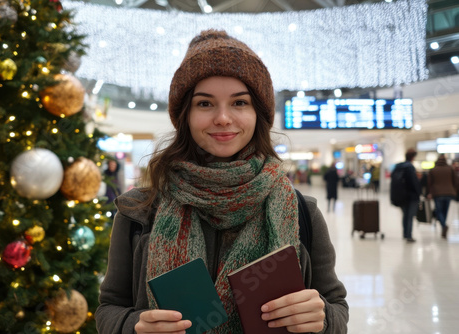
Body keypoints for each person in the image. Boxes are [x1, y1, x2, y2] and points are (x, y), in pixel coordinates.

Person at [95, 29, 348, 334]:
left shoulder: (300, 211)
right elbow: (108, 308)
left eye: (239, 103)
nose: (223, 118)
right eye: (205, 104)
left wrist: (322, 319)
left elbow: (335, 306)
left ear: (259, 114)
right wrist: (133, 326)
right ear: (185, 115)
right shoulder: (139, 210)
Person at [427, 154, 458, 238]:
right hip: (449, 193)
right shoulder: (450, 169)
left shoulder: (433, 170)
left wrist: (430, 193)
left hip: (437, 193)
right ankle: (444, 226)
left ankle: (443, 225)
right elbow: (456, 181)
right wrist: (454, 191)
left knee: (438, 211)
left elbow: (429, 183)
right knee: (445, 211)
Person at [395, 148, 421, 243]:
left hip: (401, 196)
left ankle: (405, 233)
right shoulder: (410, 167)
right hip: (411, 196)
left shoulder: (399, 167)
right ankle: (409, 235)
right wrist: (419, 192)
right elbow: (414, 183)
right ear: (413, 157)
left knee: (405, 215)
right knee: (410, 216)